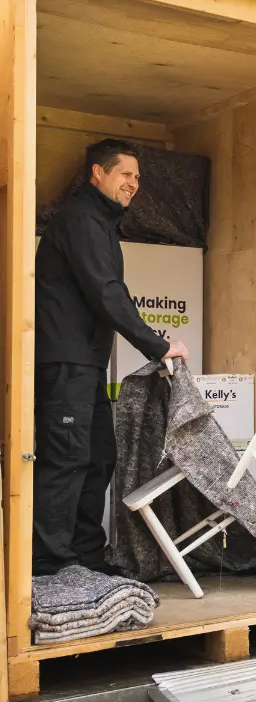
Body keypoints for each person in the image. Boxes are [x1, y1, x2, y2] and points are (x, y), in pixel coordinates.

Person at [33, 139, 189, 576]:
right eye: (125, 174)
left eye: (137, 177)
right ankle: (50, 565)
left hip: (85, 364)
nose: (133, 184)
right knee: (65, 459)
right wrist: (157, 345)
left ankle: (84, 555)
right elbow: (106, 292)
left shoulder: (99, 222)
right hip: (66, 363)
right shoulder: (81, 220)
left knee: (99, 454)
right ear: (97, 173)